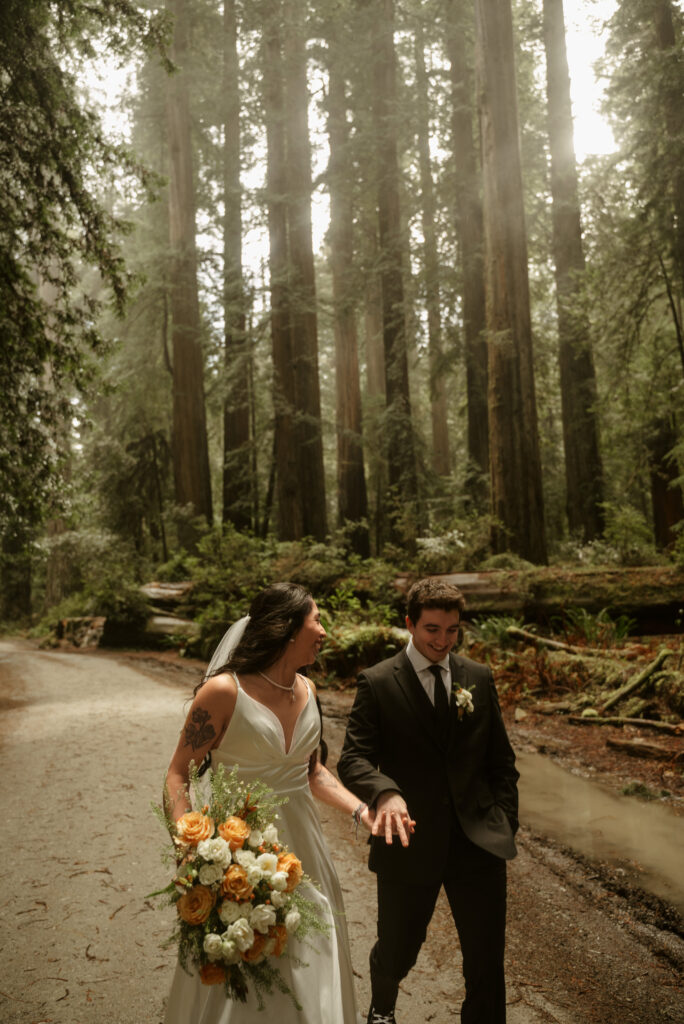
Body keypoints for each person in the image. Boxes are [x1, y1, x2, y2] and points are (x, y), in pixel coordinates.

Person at [163, 582, 370, 1024]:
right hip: (243, 855)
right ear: (287, 628)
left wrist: (360, 809)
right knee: (247, 969)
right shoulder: (224, 692)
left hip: (306, 853)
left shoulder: (309, 691)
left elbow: (311, 772)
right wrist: (191, 848)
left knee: (314, 958)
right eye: (316, 620)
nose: (323, 631)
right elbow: (178, 773)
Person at [337, 577, 519, 1024]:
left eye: (452, 630)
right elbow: (353, 758)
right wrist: (387, 791)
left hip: (478, 843)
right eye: (433, 629)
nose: (443, 640)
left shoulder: (477, 677)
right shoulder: (378, 682)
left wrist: (504, 821)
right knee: (399, 948)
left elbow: (502, 762)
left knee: (485, 961)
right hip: (408, 840)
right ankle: (382, 1010)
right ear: (410, 625)